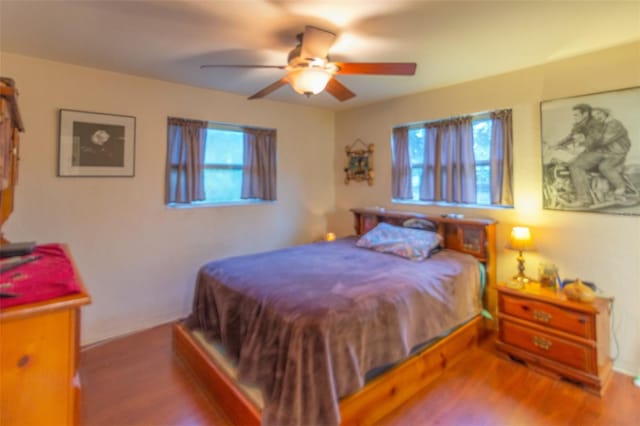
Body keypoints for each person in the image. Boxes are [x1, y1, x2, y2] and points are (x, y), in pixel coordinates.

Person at [567, 107, 631, 206]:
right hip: (602, 152)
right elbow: (593, 139)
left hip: (615, 152)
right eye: (594, 116)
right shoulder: (600, 125)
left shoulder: (614, 124)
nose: (597, 117)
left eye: (599, 114)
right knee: (574, 164)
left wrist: (584, 142)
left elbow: (603, 140)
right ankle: (584, 197)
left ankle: (621, 187)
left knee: (604, 167)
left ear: (605, 113)